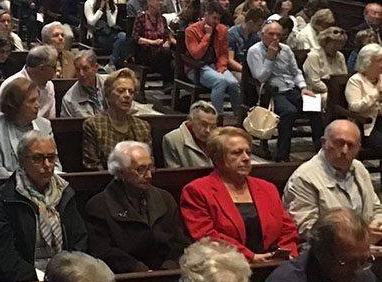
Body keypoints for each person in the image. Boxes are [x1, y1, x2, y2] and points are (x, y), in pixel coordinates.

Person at [180, 127, 298, 261]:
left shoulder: (267, 188)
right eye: (237, 153)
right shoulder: (197, 191)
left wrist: (285, 254)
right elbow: (206, 236)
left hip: (273, 263)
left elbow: (287, 229)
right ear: (217, 158)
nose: (246, 158)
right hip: (225, 266)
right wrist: (251, 257)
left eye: (248, 152)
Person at [0, 130, 86, 282]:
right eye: (38, 158)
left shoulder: (65, 192)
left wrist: (72, 273)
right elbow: (3, 250)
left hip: (68, 279)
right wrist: (37, 278)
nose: (47, 165)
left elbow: (79, 238)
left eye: (51, 158)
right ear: (22, 160)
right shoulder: (5, 197)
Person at [87, 141, 187, 273]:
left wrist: (168, 267)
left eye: (150, 168)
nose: (149, 175)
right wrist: (139, 269)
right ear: (121, 172)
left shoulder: (165, 198)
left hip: (168, 272)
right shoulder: (99, 205)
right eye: (140, 169)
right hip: (127, 278)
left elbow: (180, 241)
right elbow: (102, 251)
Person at [283, 119, 382, 242]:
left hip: (367, 248)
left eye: (351, 146)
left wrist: (376, 226)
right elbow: (306, 229)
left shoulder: (359, 169)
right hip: (326, 255)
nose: (344, 151)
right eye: (339, 143)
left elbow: (376, 209)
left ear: (358, 149)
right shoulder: (304, 177)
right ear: (324, 143)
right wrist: (360, 235)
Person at [247, 19, 320, 162]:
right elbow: (260, 77)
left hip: (291, 89)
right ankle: (282, 155)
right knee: (289, 112)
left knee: (314, 105)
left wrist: (303, 87)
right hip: (271, 93)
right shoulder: (254, 51)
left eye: (278, 35)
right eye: (271, 34)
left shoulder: (286, 49)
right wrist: (270, 58)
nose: (275, 38)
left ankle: (319, 149)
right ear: (263, 34)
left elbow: (296, 71)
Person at [0, 78, 60, 177]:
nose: (38, 105)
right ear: (16, 104)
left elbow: (56, 164)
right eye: (32, 101)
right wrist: (28, 180)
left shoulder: (44, 125)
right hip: (8, 188)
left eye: (37, 100)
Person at [82, 69, 152, 171]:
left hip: (138, 182)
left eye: (131, 92)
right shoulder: (94, 125)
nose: (127, 95)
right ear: (108, 95)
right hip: (105, 183)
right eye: (121, 91)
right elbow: (92, 165)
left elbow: (149, 162)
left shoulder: (143, 127)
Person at [185, 0, 241, 119]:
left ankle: (238, 116)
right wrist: (207, 36)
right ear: (206, 15)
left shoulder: (222, 29)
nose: (216, 22)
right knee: (220, 82)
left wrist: (221, 67)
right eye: (214, 18)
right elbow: (196, 54)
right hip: (198, 67)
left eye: (218, 19)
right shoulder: (191, 30)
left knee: (234, 83)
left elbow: (223, 53)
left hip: (215, 65)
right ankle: (217, 118)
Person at [0, 45, 58, 119]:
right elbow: (2, 120)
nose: (57, 70)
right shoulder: (12, 84)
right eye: (54, 67)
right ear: (41, 68)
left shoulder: (49, 85)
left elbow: (51, 118)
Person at [132, 0, 175, 85]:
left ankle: (172, 85)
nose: (160, 3)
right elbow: (135, 37)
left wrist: (167, 42)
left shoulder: (162, 18)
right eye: (158, 0)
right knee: (166, 55)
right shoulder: (141, 17)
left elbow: (167, 34)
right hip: (145, 51)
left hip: (161, 50)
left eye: (161, 0)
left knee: (170, 55)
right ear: (150, 1)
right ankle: (168, 83)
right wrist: (152, 42)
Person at [345, 43, 382, 148]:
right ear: (368, 62)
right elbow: (355, 107)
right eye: (380, 60)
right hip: (366, 127)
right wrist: (376, 94)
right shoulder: (356, 81)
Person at [162, 100, 218, 168]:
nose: (208, 130)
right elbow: (175, 174)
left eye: (213, 126)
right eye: (203, 124)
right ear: (190, 120)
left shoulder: (218, 138)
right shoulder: (172, 139)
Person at [303, 26, 348, 106]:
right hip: (313, 94)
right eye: (333, 43)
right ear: (325, 42)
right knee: (333, 99)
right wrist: (333, 91)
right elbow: (314, 82)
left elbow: (344, 78)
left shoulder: (340, 56)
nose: (335, 47)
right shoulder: (313, 56)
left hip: (335, 92)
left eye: (339, 44)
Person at [60, 50, 106, 118]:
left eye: (85, 69)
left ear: (95, 68)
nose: (81, 74)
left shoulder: (112, 84)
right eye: (77, 70)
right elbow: (68, 126)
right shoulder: (69, 99)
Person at [226, 7, 265, 79]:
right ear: (250, 23)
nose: (260, 29)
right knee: (243, 79)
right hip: (235, 69)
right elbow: (230, 60)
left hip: (250, 68)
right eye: (259, 25)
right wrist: (245, 71)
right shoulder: (232, 34)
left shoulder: (256, 38)